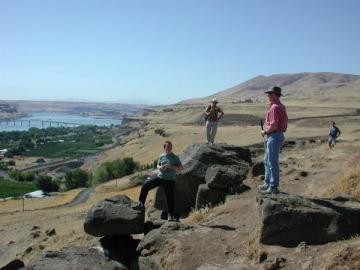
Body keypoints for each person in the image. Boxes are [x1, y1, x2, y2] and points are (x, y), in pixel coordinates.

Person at [132, 140, 183, 221]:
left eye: (170, 146)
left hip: (170, 180)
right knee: (145, 185)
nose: (169, 148)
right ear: (164, 148)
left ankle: (170, 215)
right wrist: (160, 167)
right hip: (160, 177)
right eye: (168, 146)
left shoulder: (175, 157)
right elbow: (158, 164)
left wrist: (172, 167)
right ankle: (141, 204)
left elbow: (181, 168)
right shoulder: (162, 156)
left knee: (170, 198)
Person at [258, 86, 288, 194]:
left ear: (275, 95)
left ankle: (273, 186)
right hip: (276, 136)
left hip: (274, 136)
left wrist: (265, 132)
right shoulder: (281, 106)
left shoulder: (275, 107)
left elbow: (274, 125)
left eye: (270, 93)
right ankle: (267, 184)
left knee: (272, 162)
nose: (268, 95)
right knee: (267, 161)